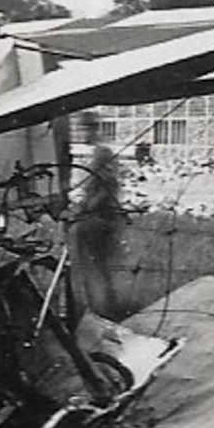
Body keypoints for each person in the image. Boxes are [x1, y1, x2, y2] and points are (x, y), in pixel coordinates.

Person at [73, 135, 122, 318]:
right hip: (102, 226)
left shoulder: (104, 179)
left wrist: (83, 208)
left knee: (96, 268)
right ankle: (105, 304)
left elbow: (96, 202)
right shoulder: (105, 178)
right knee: (101, 268)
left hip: (97, 226)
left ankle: (101, 306)